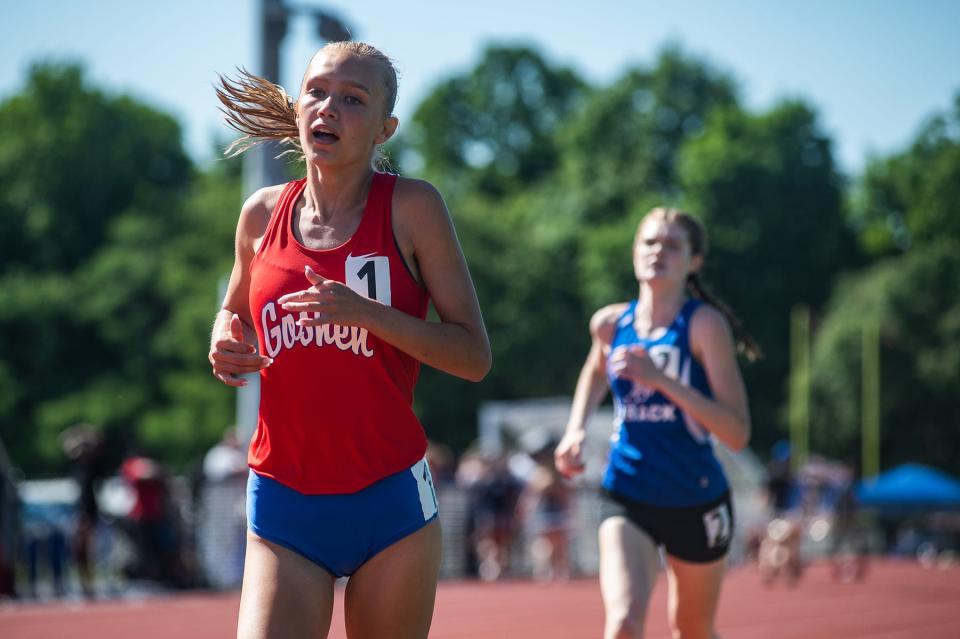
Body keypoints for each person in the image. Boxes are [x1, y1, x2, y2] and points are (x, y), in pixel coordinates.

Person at [208, 41, 491, 639]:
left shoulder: (412, 207)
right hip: (285, 499)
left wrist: (371, 316)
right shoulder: (260, 215)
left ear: (385, 127)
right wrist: (223, 338)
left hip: (390, 502)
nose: (328, 108)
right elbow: (233, 311)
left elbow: (473, 356)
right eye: (316, 92)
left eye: (352, 99)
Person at [555, 207, 758, 639]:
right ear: (634, 252)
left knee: (692, 629)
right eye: (649, 242)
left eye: (672, 245)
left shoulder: (704, 325)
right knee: (624, 623)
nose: (658, 252)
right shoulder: (611, 324)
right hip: (628, 493)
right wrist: (575, 428)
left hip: (696, 498)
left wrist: (661, 380)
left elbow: (737, 432)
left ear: (694, 261)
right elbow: (594, 371)